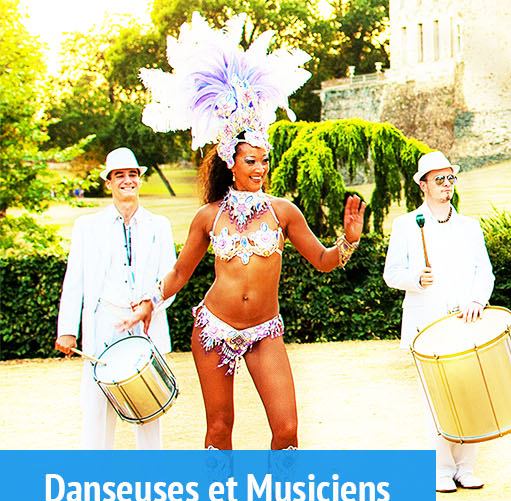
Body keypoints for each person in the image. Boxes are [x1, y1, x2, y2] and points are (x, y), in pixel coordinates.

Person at [143, 18, 365, 451]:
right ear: (232, 163)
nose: (260, 169)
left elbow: (323, 261)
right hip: (213, 329)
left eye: (264, 161)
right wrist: (148, 302)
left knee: (286, 430)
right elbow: (180, 274)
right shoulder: (207, 217)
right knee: (219, 431)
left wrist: (349, 241)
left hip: (266, 330)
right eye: (251, 162)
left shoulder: (284, 212)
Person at [381, 151, 496, 492]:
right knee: (437, 400)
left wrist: (478, 300)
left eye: (450, 179)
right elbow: (392, 274)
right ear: (423, 185)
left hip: (467, 322)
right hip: (426, 325)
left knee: (471, 396)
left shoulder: (470, 227)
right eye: (439, 180)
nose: (447, 186)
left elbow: (483, 271)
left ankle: (466, 466)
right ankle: (441, 470)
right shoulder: (405, 225)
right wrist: (416, 279)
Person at [56, 148, 173, 452]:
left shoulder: (159, 226)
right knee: (96, 411)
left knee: (148, 412)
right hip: (103, 324)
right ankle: (95, 488)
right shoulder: (87, 227)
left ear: (139, 179)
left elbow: (170, 279)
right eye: (119, 175)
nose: (127, 181)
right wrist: (66, 330)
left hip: (145, 327)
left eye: (132, 174)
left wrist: (150, 304)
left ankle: (153, 488)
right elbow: (75, 281)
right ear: (108, 182)